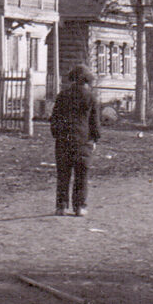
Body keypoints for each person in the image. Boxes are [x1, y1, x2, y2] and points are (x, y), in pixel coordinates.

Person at [50, 64, 101, 216]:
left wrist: (57, 135)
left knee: (63, 174)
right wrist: (95, 139)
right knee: (81, 175)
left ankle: (61, 206)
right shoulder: (91, 97)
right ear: (87, 81)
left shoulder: (62, 96)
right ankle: (80, 207)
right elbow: (95, 123)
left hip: (63, 141)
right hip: (82, 141)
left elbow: (54, 119)